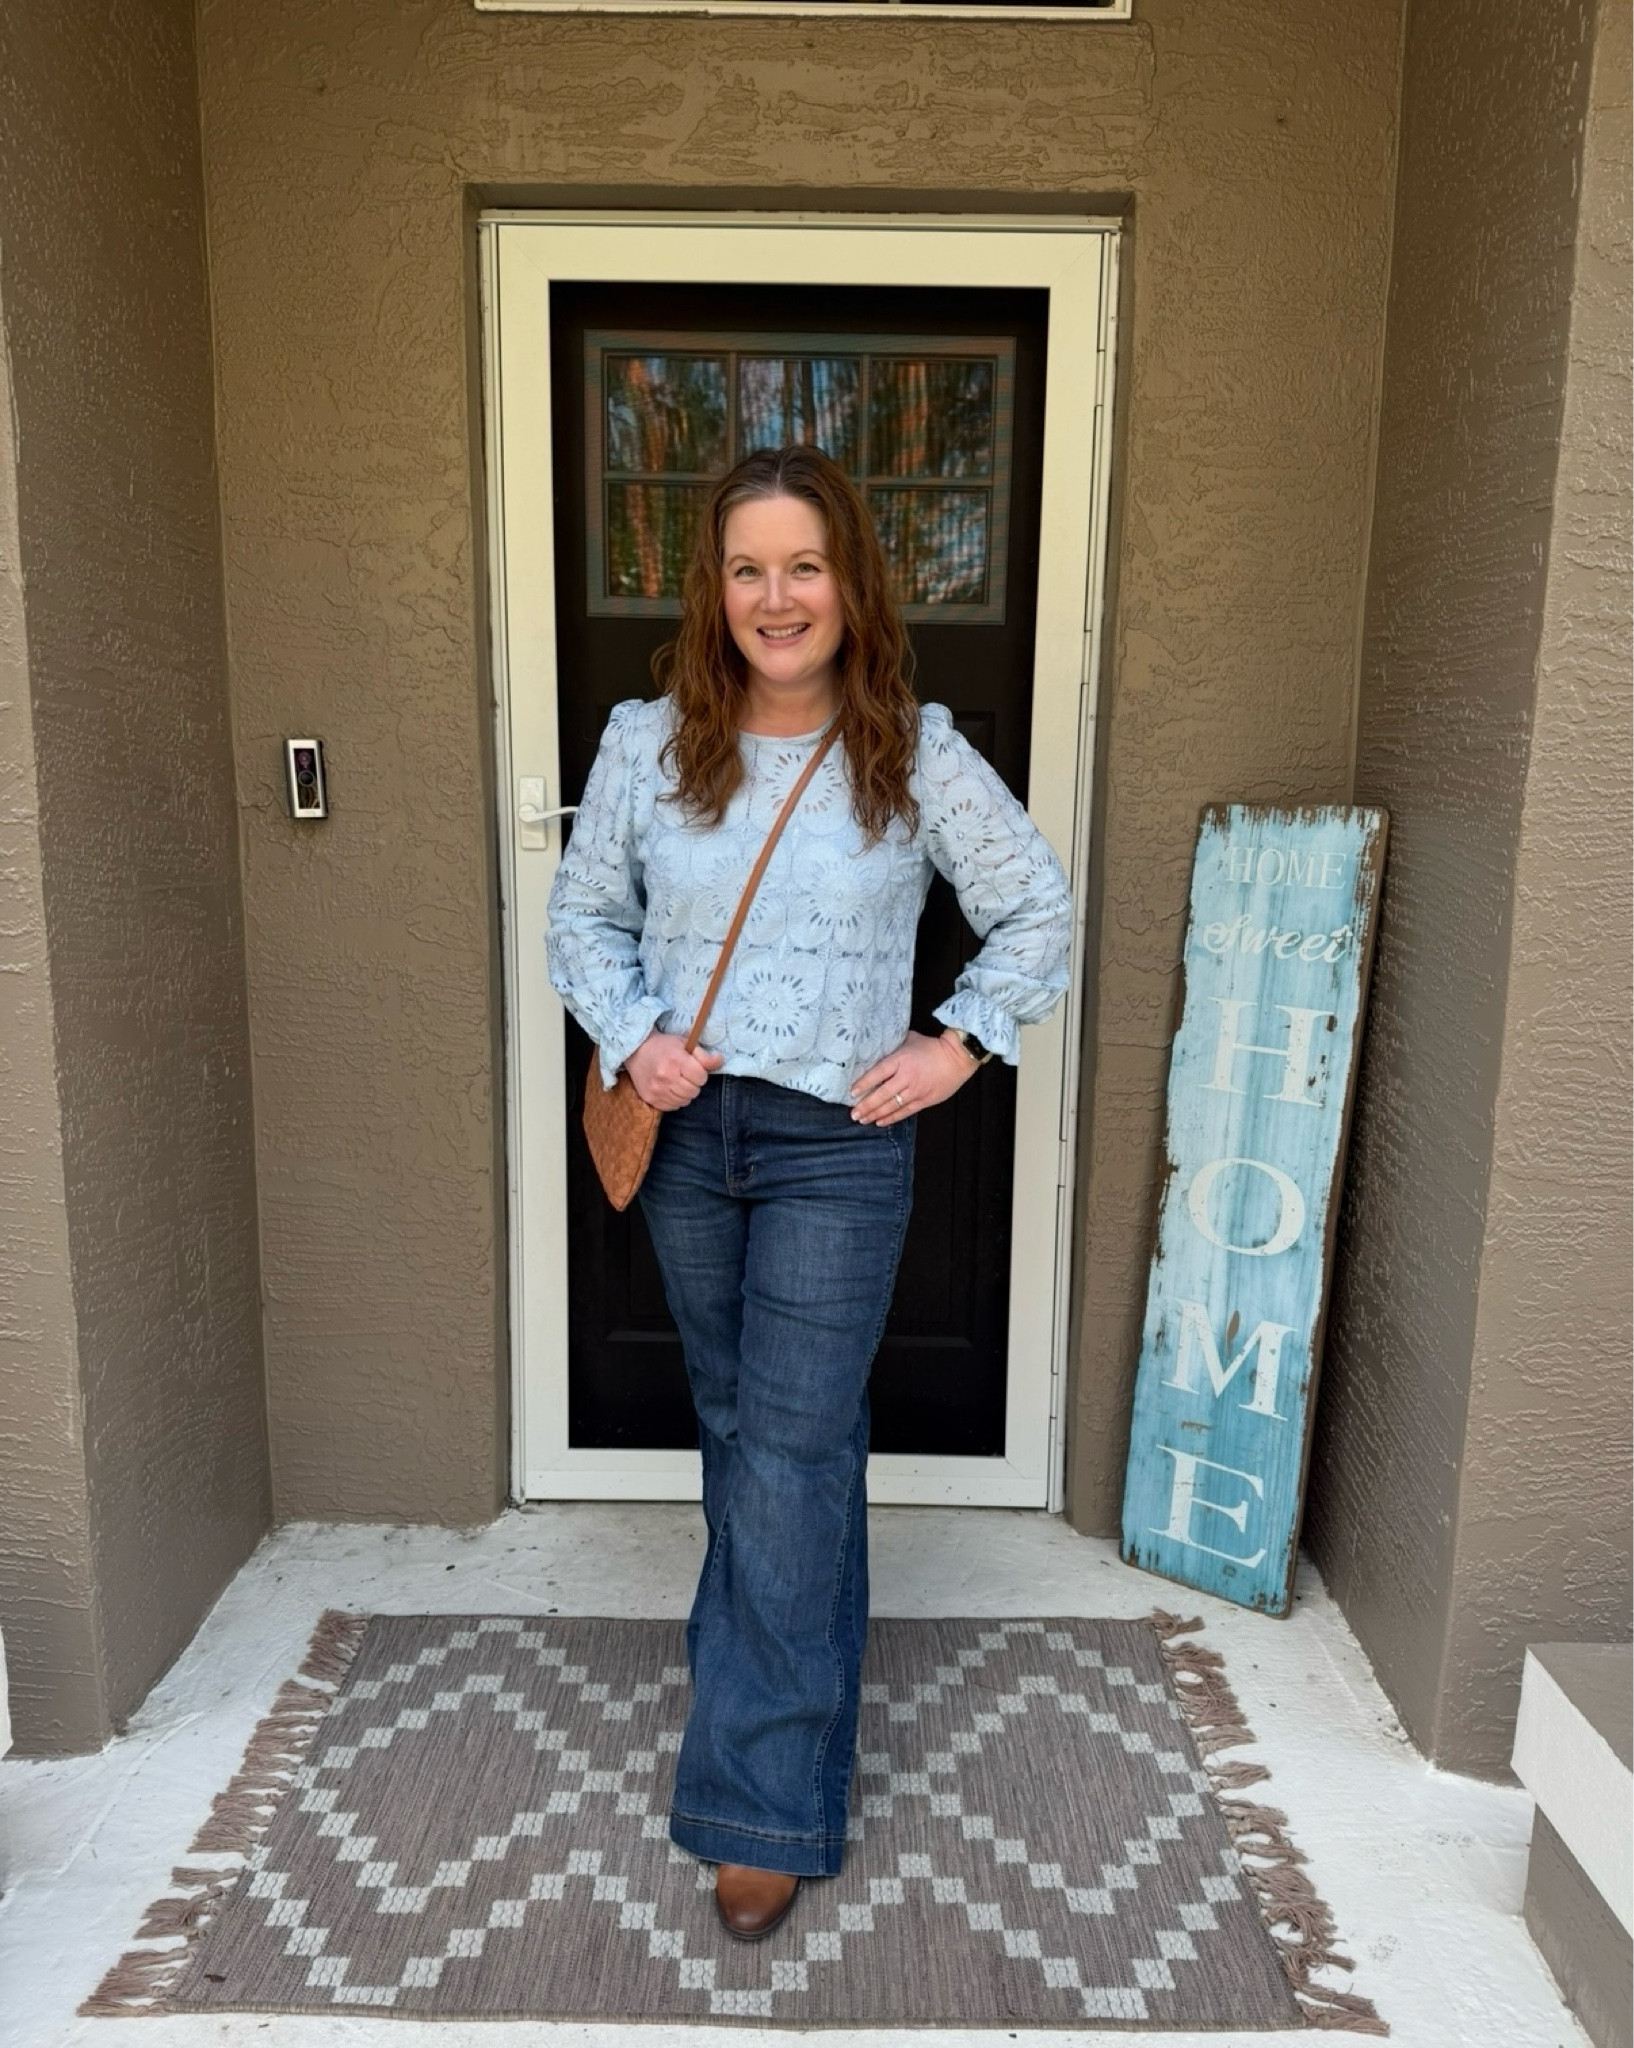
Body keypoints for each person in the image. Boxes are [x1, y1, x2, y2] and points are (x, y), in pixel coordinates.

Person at [546, 444, 1071, 1941]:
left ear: (849, 581)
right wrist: (635, 1041)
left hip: (839, 1144)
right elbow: (583, 915)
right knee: (759, 1434)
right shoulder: (647, 744)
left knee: (779, 1454)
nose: (775, 596)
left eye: (803, 565)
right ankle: (786, 1715)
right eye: (744, 568)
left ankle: (756, 1801)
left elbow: (1033, 904)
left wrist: (957, 1044)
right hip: (693, 1137)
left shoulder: (910, 750)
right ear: (712, 593)